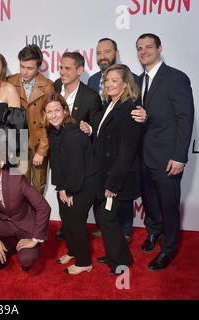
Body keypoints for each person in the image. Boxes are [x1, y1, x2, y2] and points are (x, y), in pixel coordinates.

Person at [132, 33, 194, 271]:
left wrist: (180, 156)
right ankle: (153, 232)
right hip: (143, 156)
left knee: (168, 204)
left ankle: (168, 249)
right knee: (149, 201)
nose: (144, 51)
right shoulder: (137, 81)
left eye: (148, 47)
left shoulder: (176, 78)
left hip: (168, 157)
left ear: (159, 48)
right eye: (139, 48)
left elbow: (185, 118)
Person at [81, 64, 141, 275]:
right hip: (103, 173)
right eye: (107, 80)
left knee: (106, 217)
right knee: (105, 217)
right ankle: (113, 254)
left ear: (125, 84)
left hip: (116, 177)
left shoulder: (130, 109)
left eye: (115, 80)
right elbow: (101, 136)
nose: (109, 84)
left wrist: (113, 184)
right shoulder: (110, 105)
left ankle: (122, 261)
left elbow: (127, 151)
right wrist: (89, 129)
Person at [87, 38, 142, 243]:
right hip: (104, 155)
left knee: (122, 200)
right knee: (107, 211)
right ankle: (112, 234)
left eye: (107, 51)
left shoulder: (129, 101)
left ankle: (125, 233)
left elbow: (128, 148)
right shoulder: (95, 83)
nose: (109, 84)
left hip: (121, 159)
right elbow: (97, 117)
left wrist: (143, 115)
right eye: (99, 52)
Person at [0, 148, 50, 272]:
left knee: (26, 260)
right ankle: (9, 247)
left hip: (24, 223)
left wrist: (35, 239)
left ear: (1, 163)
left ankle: (27, 246)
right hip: (4, 222)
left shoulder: (16, 177)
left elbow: (43, 207)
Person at [44, 93, 96, 275]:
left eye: (57, 110)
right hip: (68, 183)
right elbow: (57, 163)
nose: (53, 115)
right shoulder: (54, 131)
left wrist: (70, 191)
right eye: (48, 112)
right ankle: (73, 251)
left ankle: (84, 262)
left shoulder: (73, 133)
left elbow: (76, 168)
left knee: (75, 222)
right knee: (66, 220)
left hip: (84, 183)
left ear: (64, 110)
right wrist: (60, 187)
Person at [53, 51, 102, 241]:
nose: (62, 72)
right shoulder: (56, 86)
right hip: (58, 155)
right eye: (61, 67)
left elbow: (97, 127)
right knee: (61, 195)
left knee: (75, 204)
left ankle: (75, 233)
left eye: (67, 68)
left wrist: (88, 128)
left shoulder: (91, 97)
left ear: (79, 70)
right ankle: (66, 227)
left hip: (78, 160)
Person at [7, 45, 54, 194]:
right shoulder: (11, 81)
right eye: (22, 66)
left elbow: (50, 121)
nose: (24, 72)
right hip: (17, 143)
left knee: (38, 185)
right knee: (19, 183)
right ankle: (23, 217)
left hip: (38, 141)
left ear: (38, 67)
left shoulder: (47, 86)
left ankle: (36, 216)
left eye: (29, 68)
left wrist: (42, 150)